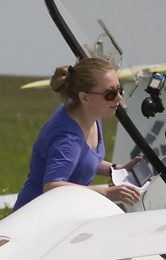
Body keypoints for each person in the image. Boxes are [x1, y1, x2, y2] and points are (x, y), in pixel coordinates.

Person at [13, 57, 143, 211]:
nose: (119, 97)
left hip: (61, 211)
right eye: (110, 93)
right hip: (35, 216)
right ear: (84, 97)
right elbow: (52, 186)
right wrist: (107, 193)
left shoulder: (89, 116)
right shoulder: (68, 138)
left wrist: (117, 169)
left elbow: (82, 158)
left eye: (119, 89)